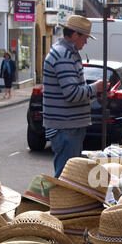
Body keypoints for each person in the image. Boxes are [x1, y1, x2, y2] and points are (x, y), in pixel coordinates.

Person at [43, 15, 106, 178]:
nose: (85, 43)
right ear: (75, 35)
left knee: (68, 176)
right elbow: (72, 94)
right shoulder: (64, 55)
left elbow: (73, 90)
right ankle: (57, 203)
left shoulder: (67, 53)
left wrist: (95, 91)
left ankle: (60, 203)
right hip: (66, 127)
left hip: (68, 126)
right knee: (66, 178)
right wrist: (95, 87)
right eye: (85, 38)